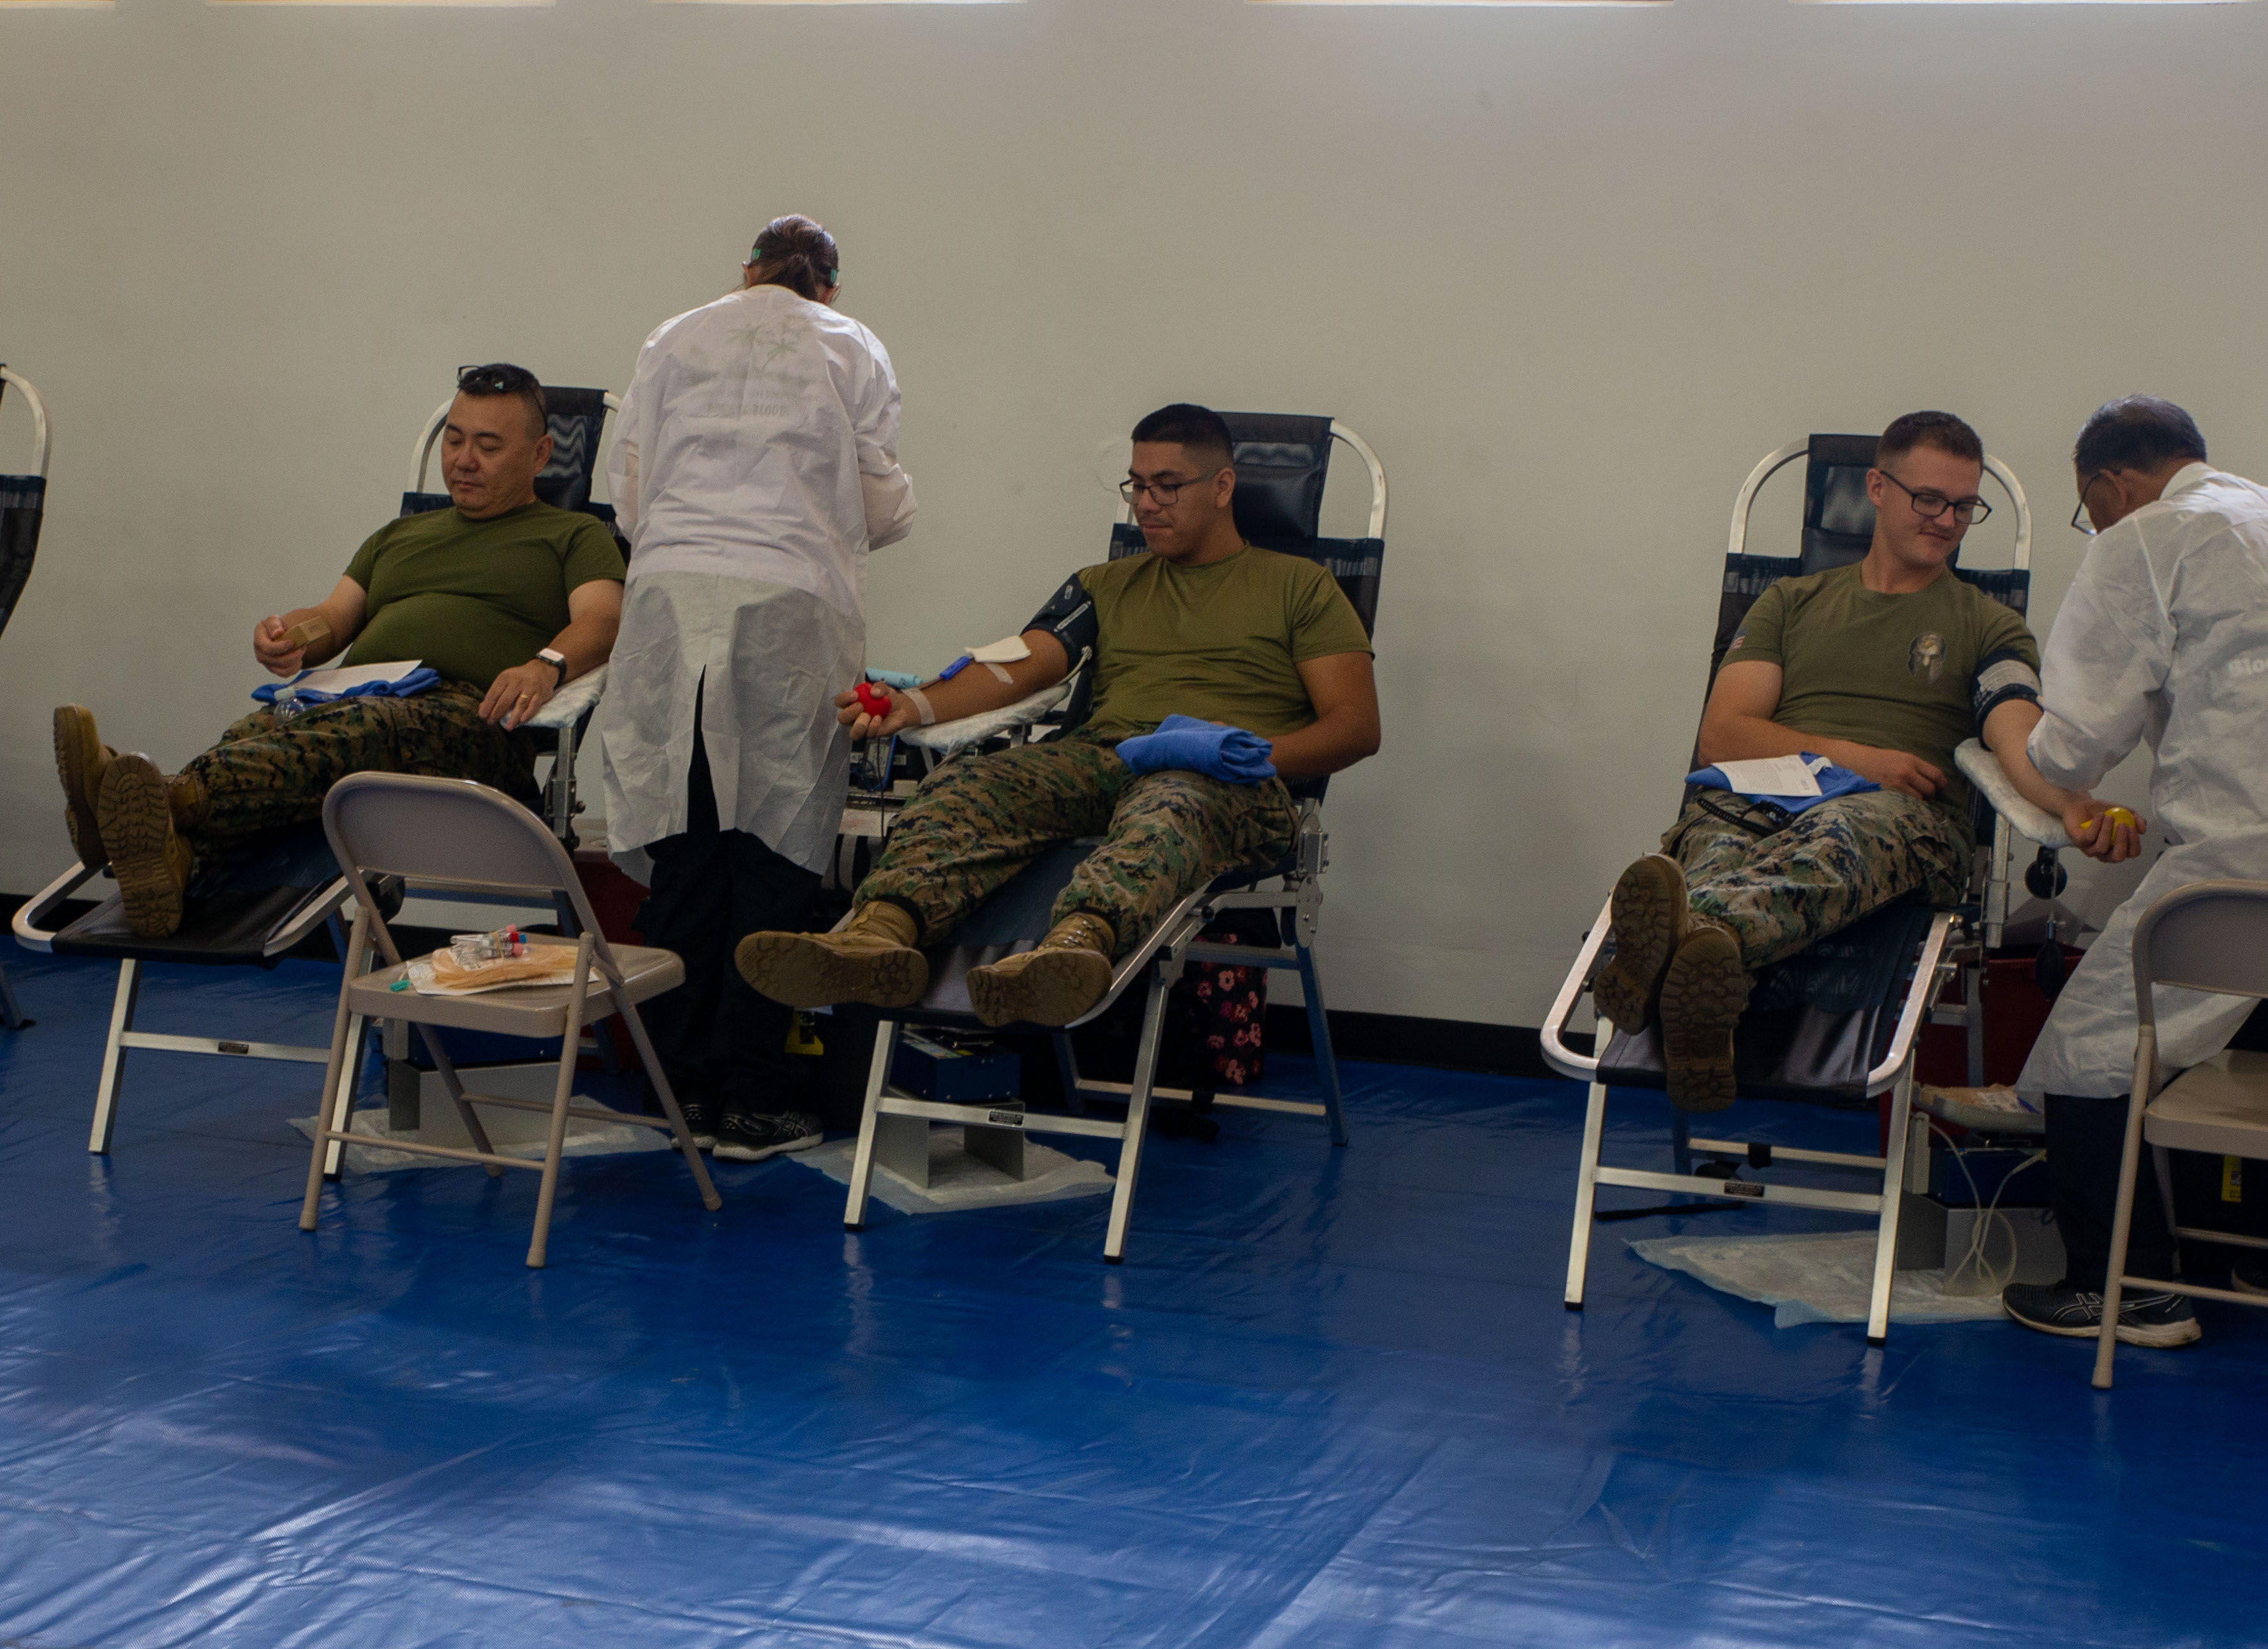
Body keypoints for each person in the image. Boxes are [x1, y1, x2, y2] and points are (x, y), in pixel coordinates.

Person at [2000, 396, 2268, 1349]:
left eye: (2093, 511)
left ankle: (2124, 1290)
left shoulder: (2144, 541)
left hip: (2247, 868)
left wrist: (2023, 746)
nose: (2099, 528)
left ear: (2111, 487)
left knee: (2088, 1051)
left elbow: (2075, 745)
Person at [733, 403, 1380, 1031]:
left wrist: (1245, 754)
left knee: (1172, 799)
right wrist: (915, 704)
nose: (1146, 504)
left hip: (1227, 779)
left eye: (1166, 486)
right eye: (1137, 485)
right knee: (973, 782)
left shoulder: (1302, 587)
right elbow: (1026, 662)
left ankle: (1074, 947)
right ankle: (876, 939)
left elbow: (1355, 726)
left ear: (1223, 486)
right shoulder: (1106, 583)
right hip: (1108, 758)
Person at [1590, 411, 2140, 1110]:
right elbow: (1723, 734)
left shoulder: (1987, 623)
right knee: (1716, 833)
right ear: (1877, 488)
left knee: (1838, 838)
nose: (1947, 520)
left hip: (1896, 821)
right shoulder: (1790, 602)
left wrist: (2071, 804)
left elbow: (2017, 738)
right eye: (1929, 499)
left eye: (1966, 506)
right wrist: (1858, 756)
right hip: (1760, 797)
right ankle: (1703, 980)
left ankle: (1676, 951)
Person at [52, 364, 623, 937]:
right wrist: (289, 636)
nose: (463, 459)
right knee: (258, 730)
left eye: (488, 445)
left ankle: (154, 799)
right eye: (454, 439)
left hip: (470, 722)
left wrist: (545, 666)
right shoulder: (397, 537)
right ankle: (175, 867)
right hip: (353, 703)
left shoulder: (572, 536)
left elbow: (604, 618)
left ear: (541, 453)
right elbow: (330, 619)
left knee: (365, 729)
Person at [597, 214, 917, 1164]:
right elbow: (880, 498)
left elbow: (629, 495)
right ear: (830, 285)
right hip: (788, 605)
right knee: (773, 853)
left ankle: (678, 1087)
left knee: (689, 848)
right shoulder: (851, 344)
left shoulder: (674, 333)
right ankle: (754, 1096)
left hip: (668, 601)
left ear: (744, 273)